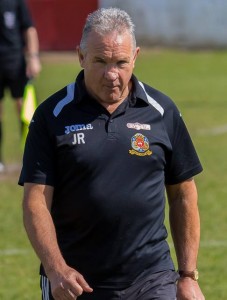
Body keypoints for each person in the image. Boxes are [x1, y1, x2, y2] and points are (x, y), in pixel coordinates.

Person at [19, 7, 205, 300]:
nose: (111, 74)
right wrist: (56, 270)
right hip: (76, 282)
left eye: (120, 62)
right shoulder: (51, 116)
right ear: (81, 56)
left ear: (135, 57)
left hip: (151, 278)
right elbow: (36, 202)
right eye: (100, 61)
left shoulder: (163, 112)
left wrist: (187, 275)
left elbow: (183, 194)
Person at [0, 0, 41, 172]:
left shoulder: (15, 2)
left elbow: (29, 29)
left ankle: (33, 157)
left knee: (25, 112)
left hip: (16, 64)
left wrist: (33, 57)